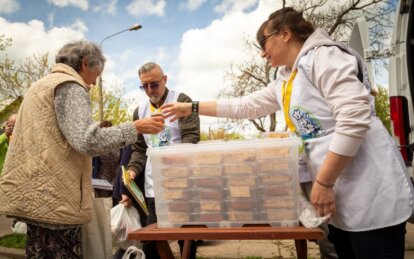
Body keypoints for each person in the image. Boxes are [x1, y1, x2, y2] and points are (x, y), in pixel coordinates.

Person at [161, 7, 414, 259]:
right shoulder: (286, 78)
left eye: (264, 42)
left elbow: (354, 118)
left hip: (369, 186)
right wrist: (192, 107)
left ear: (284, 34)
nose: (262, 53)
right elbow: (245, 106)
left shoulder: (324, 57)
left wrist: (324, 181)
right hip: (340, 194)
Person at [0, 40, 164, 258]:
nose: (95, 83)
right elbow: (87, 141)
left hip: (38, 198)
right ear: (86, 63)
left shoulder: (38, 87)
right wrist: (134, 128)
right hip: (57, 201)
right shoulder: (70, 85)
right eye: (97, 74)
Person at [122, 62, 200, 259]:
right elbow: (140, 149)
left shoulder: (181, 100)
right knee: (153, 238)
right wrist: (132, 170)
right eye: (144, 86)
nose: (149, 90)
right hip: (153, 185)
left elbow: (191, 138)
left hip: (180, 183)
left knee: (185, 236)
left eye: (154, 84)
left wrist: (172, 161)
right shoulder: (139, 111)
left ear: (165, 79)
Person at [92, 120, 122, 198]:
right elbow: (93, 164)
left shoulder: (119, 145)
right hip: (101, 181)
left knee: (117, 206)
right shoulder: (97, 147)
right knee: (103, 206)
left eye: (109, 131)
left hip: (116, 181)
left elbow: (122, 163)